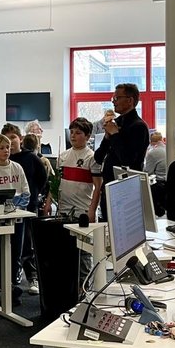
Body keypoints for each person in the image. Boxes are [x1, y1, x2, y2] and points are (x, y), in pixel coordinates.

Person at [0, 133, 30, 303]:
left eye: (8, 147)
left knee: (16, 250)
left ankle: (13, 282)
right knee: (1, 248)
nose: (6, 151)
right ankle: (3, 282)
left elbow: (26, 191)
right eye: (1, 148)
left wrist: (17, 207)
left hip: (17, 215)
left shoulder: (17, 167)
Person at [57, 117, 103, 286]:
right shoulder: (63, 156)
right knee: (65, 251)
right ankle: (68, 288)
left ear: (88, 136)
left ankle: (84, 289)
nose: (73, 136)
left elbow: (98, 186)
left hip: (82, 211)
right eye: (72, 132)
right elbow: (56, 183)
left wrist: (92, 210)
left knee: (84, 253)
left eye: (78, 133)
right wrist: (49, 203)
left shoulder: (92, 157)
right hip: (64, 210)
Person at [94, 83, 149, 218]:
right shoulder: (116, 123)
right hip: (108, 187)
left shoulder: (139, 126)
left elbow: (128, 160)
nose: (114, 102)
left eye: (117, 98)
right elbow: (99, 157)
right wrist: (107, 137)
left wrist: (115, 135)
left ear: (130, 100)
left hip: (126, 191)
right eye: (113, 98)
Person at [5, 125, 47, 294]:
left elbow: (42, 179)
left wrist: (34, 196)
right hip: (7, 211)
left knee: (28, 244)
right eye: (6, 139)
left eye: (13, 138)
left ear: (20, 139)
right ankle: (8, 279)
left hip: (28, 208)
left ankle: (32, 277)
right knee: (8, 245)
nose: (10, 142)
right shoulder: (2, 160)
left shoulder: (31, 158)